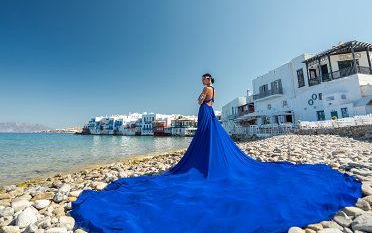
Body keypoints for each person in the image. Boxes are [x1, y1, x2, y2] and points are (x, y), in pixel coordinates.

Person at [71, 74, 361, 233]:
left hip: (206, 115)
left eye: (205, 79)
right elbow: (199, 101)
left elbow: (200, 100)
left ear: (210, 81)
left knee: (208, 141)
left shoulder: (207, 92)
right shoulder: (209, 92)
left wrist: (200, 97)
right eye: (203, 80)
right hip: (206, 115)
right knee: (208, 139)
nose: (203, 82)